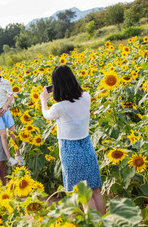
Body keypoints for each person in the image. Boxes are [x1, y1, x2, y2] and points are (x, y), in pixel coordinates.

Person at [40, 65, 106, 215]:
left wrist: (43, 100)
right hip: (87, 146)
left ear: (56, 85)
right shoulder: (86, 97)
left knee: (83, 195)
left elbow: (46, 115)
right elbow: (77, 96)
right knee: (95, 191)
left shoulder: (59, 107)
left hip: (71, 151)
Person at [0, 62, 26, 166]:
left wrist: (6, 106)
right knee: (3, 135)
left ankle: (18, 155)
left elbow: (11, 95)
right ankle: (9, 158)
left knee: (13, 133)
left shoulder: (5, 82)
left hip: (5, 111)